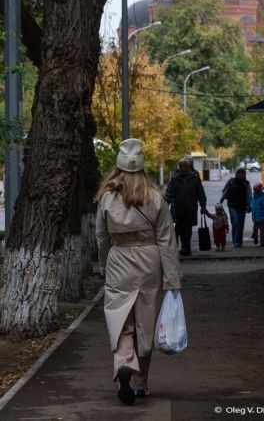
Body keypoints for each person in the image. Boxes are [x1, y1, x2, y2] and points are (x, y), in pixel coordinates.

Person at [96, 138, 181, 406]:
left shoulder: (107, 198)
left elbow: (101, 237)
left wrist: (104, 266)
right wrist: (172, 280)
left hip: (119, 260)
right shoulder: (155, 196)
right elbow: (167, 239)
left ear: (118, 169)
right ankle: (141, 383)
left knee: (121, 321)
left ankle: (123, 363)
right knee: (146, 323)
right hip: (149, 262)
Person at [165, 157, 207, 256]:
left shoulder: (195, 178)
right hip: (177, 208)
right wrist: (166, 204)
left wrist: (203, 205)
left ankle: (186, 248)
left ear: (189, 167)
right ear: (179, 168)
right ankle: (175, 248)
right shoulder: (175, 179)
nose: (183, 168)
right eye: (181, 167)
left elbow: (200, 192)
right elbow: (169, 192)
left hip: (190, 208)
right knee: (177, 229)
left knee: (187, 229)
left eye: (185, 167)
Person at [220, 167, 252, 247]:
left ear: (244, 174)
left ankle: (239, 241)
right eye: (239, 173)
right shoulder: (231, 181)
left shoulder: (246, 183)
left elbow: (249, 195)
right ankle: (235, 240)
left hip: (242, 206)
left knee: (241, 224)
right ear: (236, 174)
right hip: (232, 205)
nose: (241, 174)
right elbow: (225, 192)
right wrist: (220, 201)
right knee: (235, 222)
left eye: (242, 173)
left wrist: (249, 204)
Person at [251, 182, 264, 246]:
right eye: (254, 190)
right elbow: (253, 207)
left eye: (256, 190)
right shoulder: (253, 198)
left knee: (262, 231)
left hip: (262, 218)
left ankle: (262, 242)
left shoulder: (263, 199)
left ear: (259, 190)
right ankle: (255, 237)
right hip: (255, 218)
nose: (255, 191)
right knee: (255, 229)